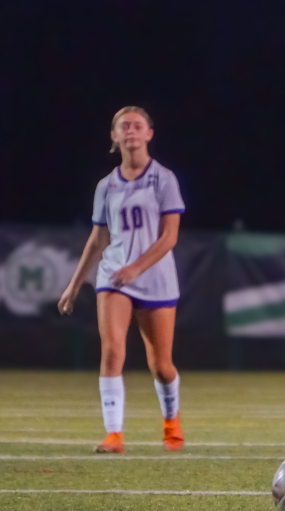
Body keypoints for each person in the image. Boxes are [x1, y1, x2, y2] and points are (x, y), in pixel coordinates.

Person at [58, 106, 186, 454]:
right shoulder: (106, 185)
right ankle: (114, 434)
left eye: (137, 125)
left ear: (149, 134)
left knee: (160, 365)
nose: (130, 131)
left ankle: (171, 422)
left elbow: (169, 237)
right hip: (114, 275)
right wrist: (74, 284)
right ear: (114, 136)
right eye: (123, 126)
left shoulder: (164, 179)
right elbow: (98, 239)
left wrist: (137, 267)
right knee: (113, 350)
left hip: (156, 277)